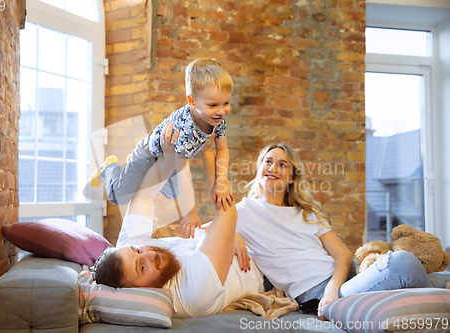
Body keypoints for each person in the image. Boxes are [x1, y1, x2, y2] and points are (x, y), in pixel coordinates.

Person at [233, 142, 449, 320]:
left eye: (282, 164)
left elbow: (343, 255)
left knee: (436, 278)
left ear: (291, 178)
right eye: (268, 162)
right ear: (259, 169)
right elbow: (207, 232)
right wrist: (234, 236)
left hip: (345, 278)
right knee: (403, 262)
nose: (272, 168)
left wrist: (333, 287)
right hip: (316, 294)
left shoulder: (306, 213)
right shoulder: (244, 210)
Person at [93, 123, 265, 318]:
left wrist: (168, 158)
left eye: (138, 250)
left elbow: (143, 196)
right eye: (142, 267)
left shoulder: (128, 253)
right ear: (139, 291)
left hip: (235, 237)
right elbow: (227, 214)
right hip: (264, 260)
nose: (147, 254)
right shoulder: (192, 294)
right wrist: (208, 150)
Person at [91, 58, 234, 238]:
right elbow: (183, 172)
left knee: (172, 193)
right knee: (119, 195)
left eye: (226, 103)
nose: (221, 111)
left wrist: (221, 182)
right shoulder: (185, 128)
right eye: (213, 105)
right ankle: (109, 168)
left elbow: (221, 149)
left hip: (171, 158)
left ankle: (133, 169)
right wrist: (189, 212)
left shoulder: (217, 120)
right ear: (192, 102)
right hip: (149, 153)